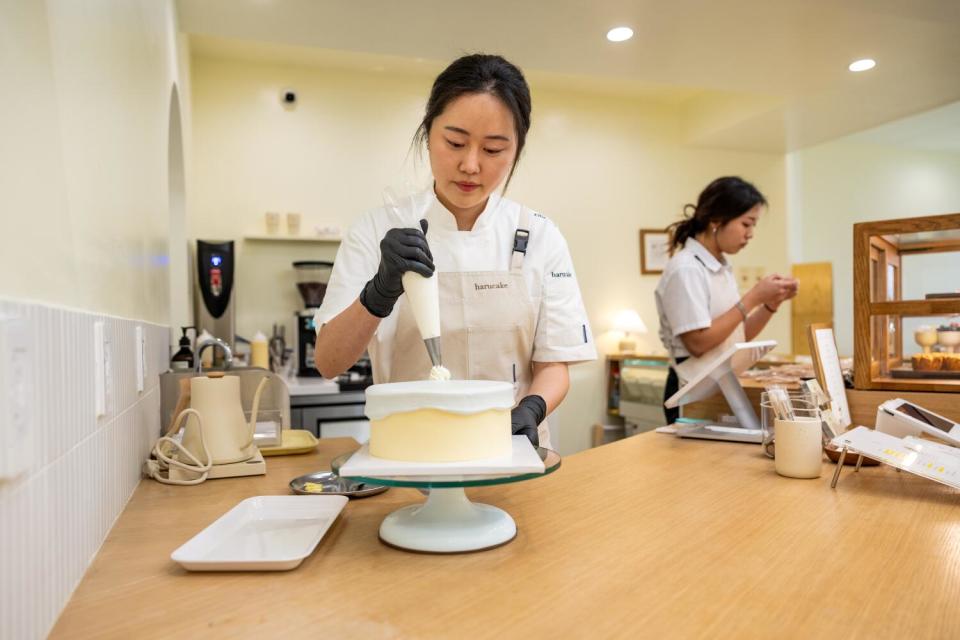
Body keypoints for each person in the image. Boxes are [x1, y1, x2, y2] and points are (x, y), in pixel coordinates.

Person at [313, 54, 596, 449]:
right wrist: (378, 292)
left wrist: (532, 408)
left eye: (494, 149)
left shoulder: (539, 236)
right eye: (455, 142)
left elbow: (554, 365)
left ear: (517, 150)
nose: (470, 165)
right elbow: (329, 362)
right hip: (410, 455)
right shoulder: (376, 229)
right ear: (428, 133)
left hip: (510, 450)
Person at [654, 176, 798, 424]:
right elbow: (698, 343)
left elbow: (736, 338)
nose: (750, 234)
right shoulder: (686, 268)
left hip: (718, 385)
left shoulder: (721, 267)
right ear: (716, 221)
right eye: (746, 224)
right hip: (689, 391)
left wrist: (770, 304)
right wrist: (752, 298)